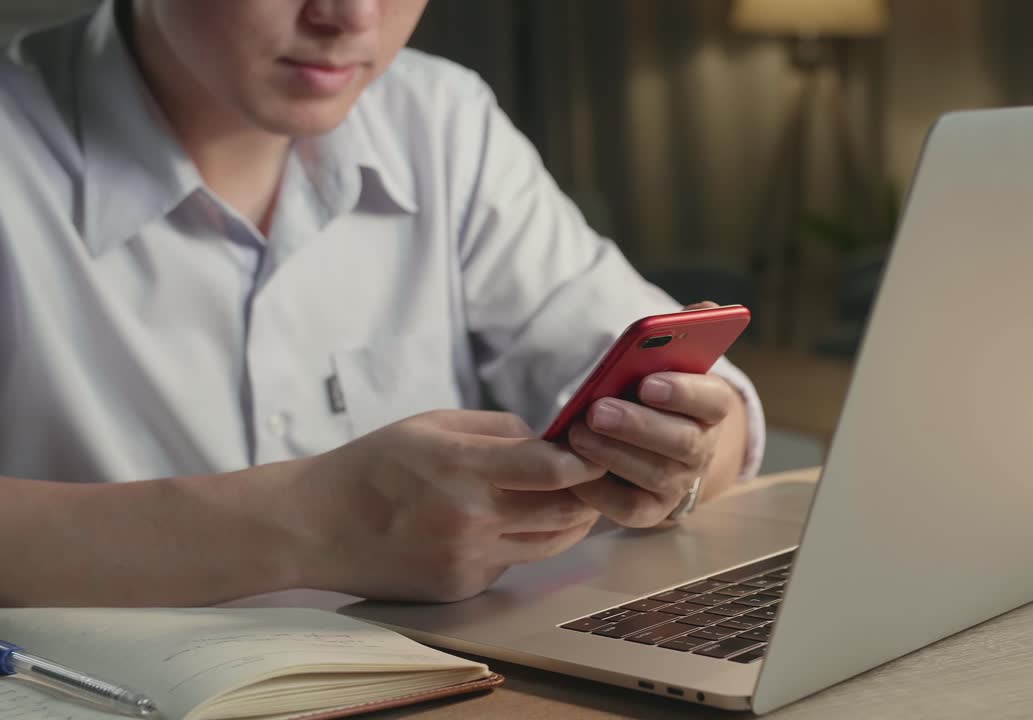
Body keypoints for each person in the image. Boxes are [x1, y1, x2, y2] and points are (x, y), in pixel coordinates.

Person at [0, 0, 764, 607]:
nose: (354, 15)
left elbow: (705, 400)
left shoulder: (441, 121)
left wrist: (681, 455)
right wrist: (308, 525)